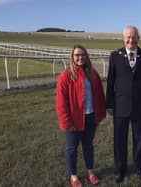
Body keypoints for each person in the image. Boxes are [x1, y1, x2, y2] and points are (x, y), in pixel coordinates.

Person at [106, 25, 141, 183]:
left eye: (134, 37)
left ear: (138, 38)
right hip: (120, 106)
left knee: (140, 140)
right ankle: (120, 170)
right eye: (128, 37)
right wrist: (109, 104)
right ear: (123, 38)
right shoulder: (115, 56)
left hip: (140, 106)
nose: (131, 39)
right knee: (119, 141)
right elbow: (110, 82)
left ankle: (140, 168)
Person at [56, 45, 106, 187]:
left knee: (88, 146)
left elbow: (100, 96)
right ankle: (73, 176)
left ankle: (90, 171)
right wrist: (66, 122)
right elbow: (61, 102)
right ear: (72, 57)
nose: (80, 57)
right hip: (74, 120)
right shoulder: (65, 76)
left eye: (83, 55)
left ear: (87, 56)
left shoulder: (93, 74)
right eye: (77, 55)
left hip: (90, 117)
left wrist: (100, 114)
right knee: (72, 148)